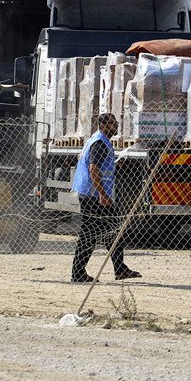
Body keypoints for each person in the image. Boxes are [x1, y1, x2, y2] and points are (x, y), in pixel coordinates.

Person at [70, 113, 142, 283]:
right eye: (111, 124)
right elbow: (93, 169)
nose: (115, 126)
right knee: (90, 234)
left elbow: (82, 158)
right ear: (102, 125)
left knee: (113, 230)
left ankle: (120, 268)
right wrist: (102, 194)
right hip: (94, 196)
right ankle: (78, 273)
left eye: (116, 123)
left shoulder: (98, 139)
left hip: (94, 194)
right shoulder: (100, 143)